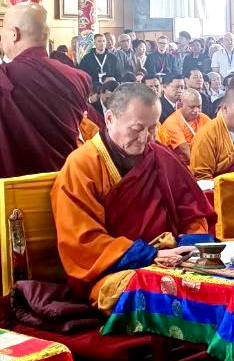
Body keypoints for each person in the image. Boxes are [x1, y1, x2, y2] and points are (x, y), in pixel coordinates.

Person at [51, 83, 215, 308]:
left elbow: (192, 211)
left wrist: (191, 249)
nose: (145, 138)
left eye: (152, 129)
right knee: (164, 295)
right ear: (109, 118)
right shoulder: (82, 166)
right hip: (115, 272)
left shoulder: (160, 156)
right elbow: (83, 242)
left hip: (173, 259)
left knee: (224, 281)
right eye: (137, 129)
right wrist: (149, 255)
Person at [0, 3, 92, 177]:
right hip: (65, 182)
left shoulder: (4, 76)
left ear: (14, 34)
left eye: (2, 31)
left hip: (12, 187)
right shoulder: (79, 78)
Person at [158, 88, 211, 164]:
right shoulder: (172, 122)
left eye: (199, 106)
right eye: (192, 107)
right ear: (180, 105)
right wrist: (201, 165)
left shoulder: (203, 118)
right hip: (180, 164)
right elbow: (184, 148)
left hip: (202, 159)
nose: (196, 110)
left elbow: (214, 136)